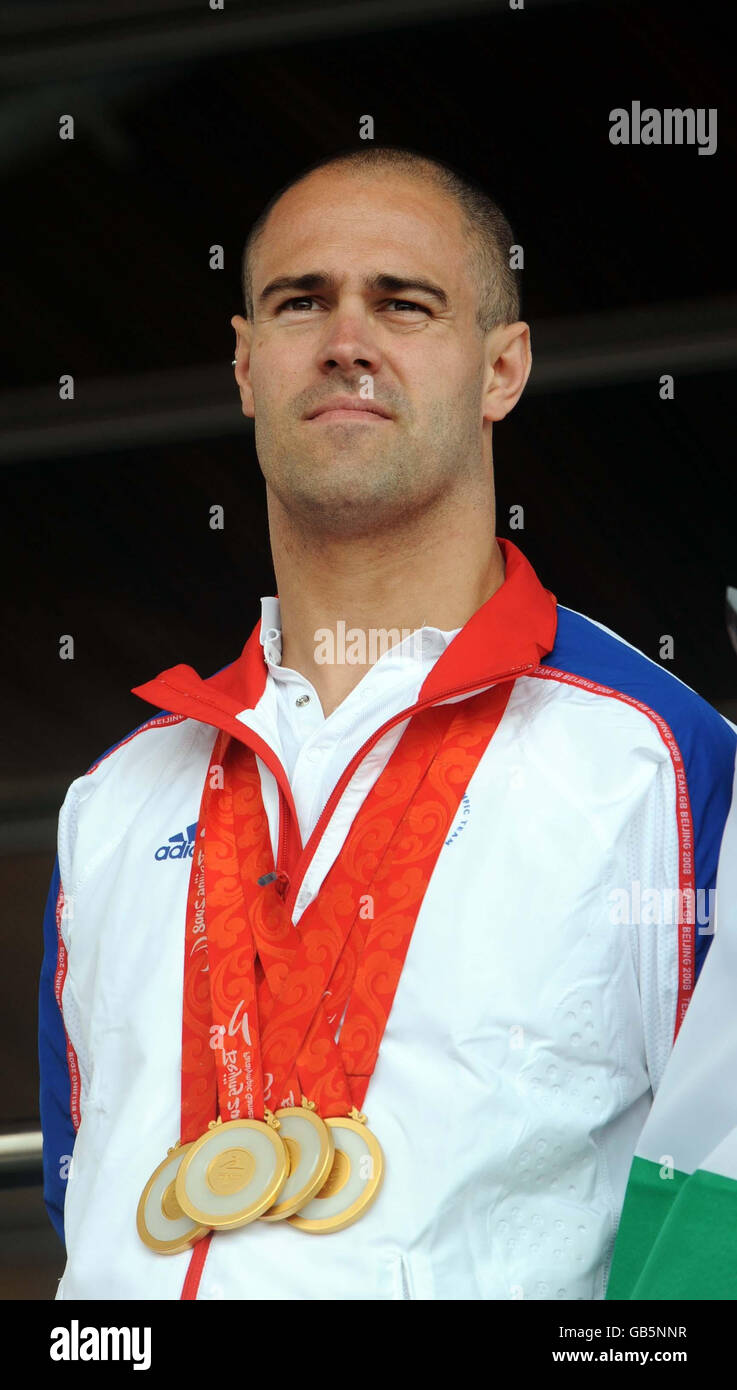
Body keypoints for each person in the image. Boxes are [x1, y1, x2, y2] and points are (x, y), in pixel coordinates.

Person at [39, 146, 737, 1301]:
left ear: (501, 368)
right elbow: (93, 1197)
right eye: (299, 301)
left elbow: (711, 1213)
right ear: (245, 364)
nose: (345, 339)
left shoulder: (665, 763)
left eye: (402, 304)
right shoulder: (115, 798)